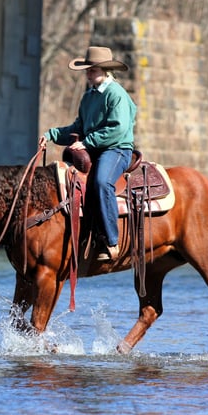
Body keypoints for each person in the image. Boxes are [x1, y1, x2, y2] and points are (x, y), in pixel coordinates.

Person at [39, 46, 137, 261]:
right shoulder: (89, 97)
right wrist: (52, 134)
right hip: (95, 148)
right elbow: (79, 127)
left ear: (104, 70)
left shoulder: (116, 94)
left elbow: (117, 129)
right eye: (88, 70)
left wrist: (87, 143)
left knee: (102, 182)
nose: (88, 73)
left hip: (117, 149)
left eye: (92, 70)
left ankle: (111, 241)